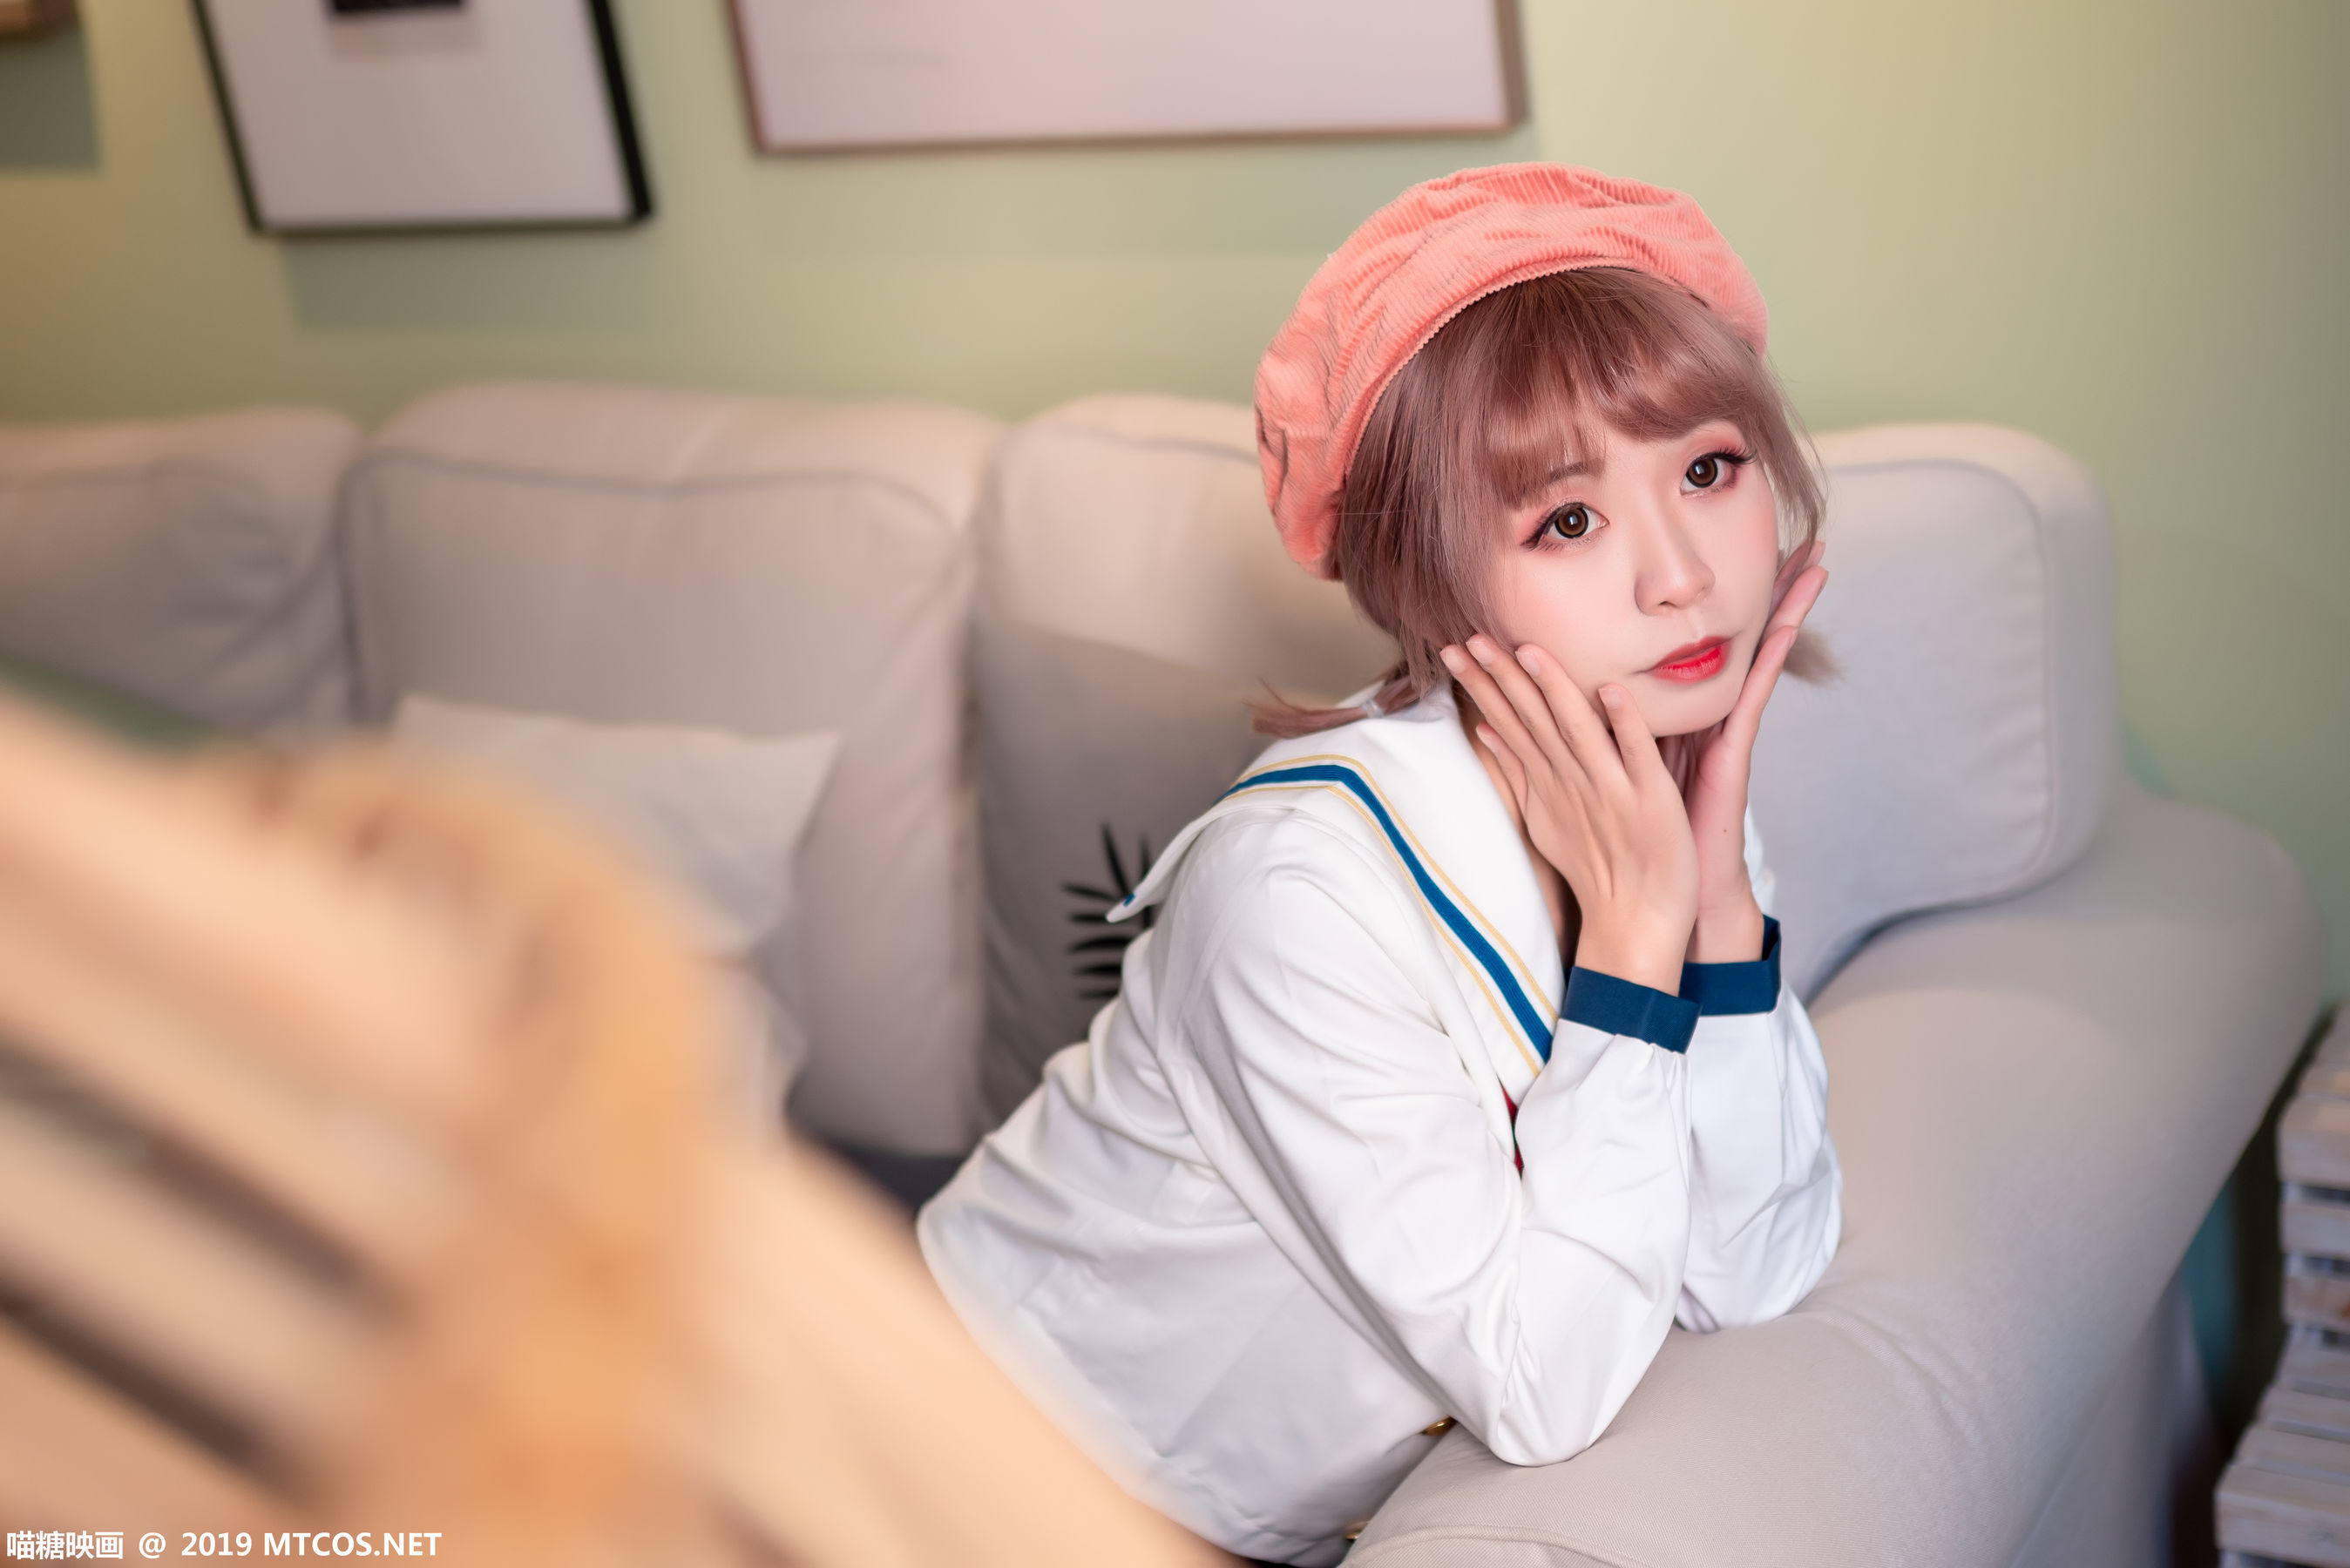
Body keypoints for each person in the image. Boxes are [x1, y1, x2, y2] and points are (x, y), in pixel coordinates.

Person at [918, 164, 1843, 1566]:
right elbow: (1542, 1387)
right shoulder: (1296, 891)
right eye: (1567, 520)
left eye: (1707, 469)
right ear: (1432, 577)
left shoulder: (1661, 792)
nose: (1679, 576)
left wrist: (1709, 903)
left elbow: (1754, 1266)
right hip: (987, 1463)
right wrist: (1636, 944)